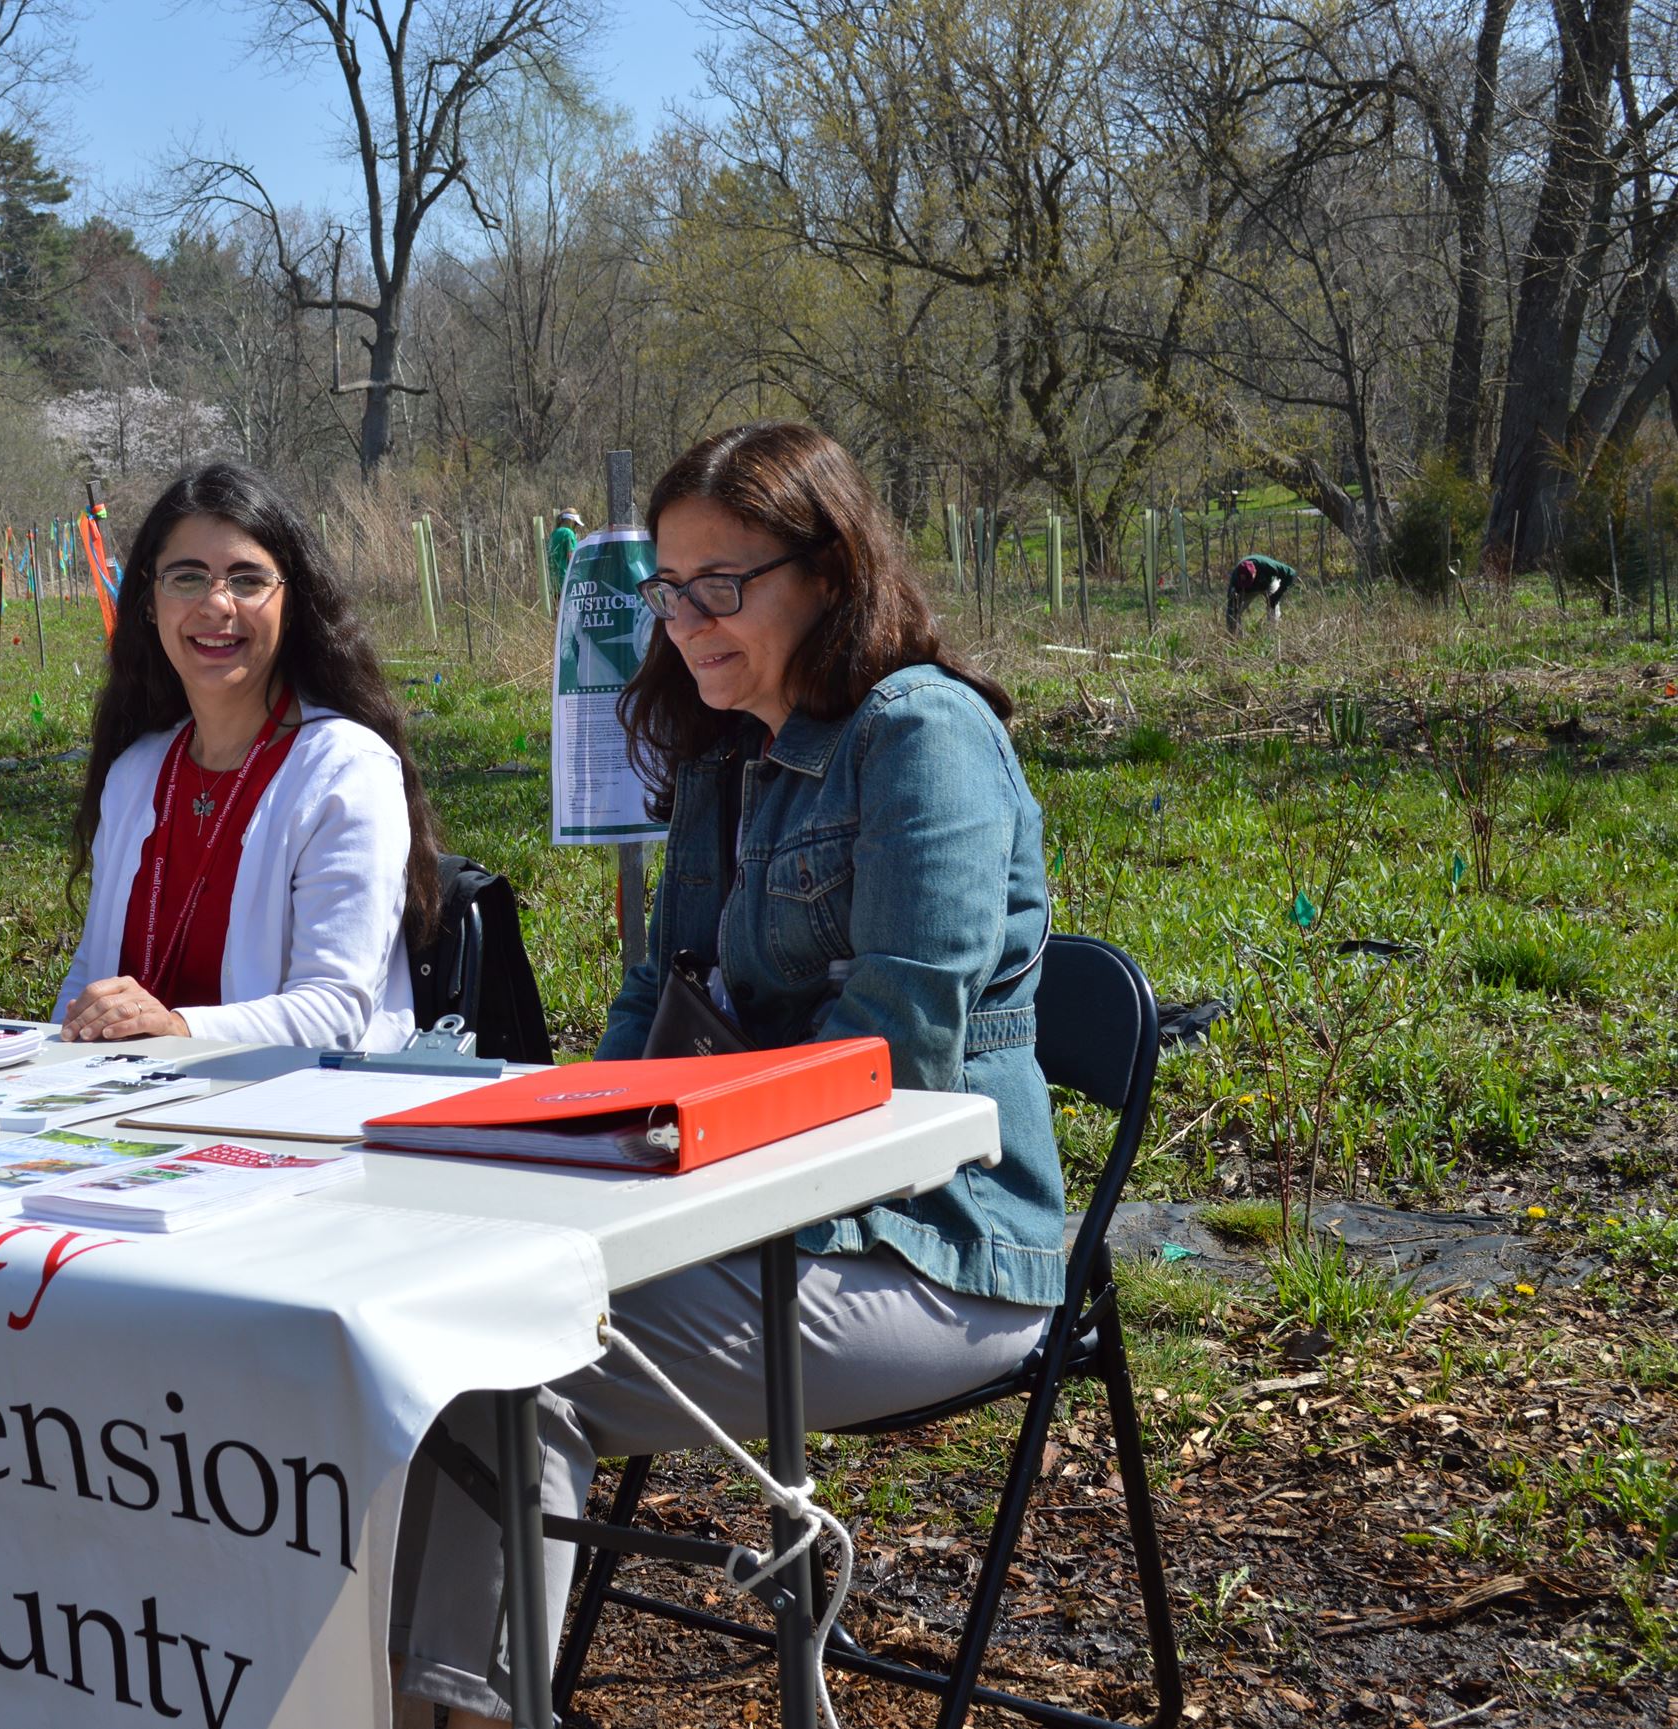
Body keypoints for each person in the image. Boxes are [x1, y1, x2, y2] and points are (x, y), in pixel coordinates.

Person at [393, 422, 1062, 1724]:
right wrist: (567, 1147)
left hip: (931, 1244)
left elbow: (893, 1047)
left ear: (828, 571)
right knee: (426, 1321)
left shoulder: (922, 737)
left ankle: (457, 1711)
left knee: (494, 1362)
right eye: (670, 587)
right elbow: (660, 991)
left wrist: (647, 1184)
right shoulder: (723, 750)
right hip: (738, 1214)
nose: (688, 619)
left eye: (724, 584)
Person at [54, 461, 440, 1052]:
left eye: (246, 580)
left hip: (291, 1119)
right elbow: (89, 976)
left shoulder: (346, 770)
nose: (216, 604)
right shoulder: (135, 773)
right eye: (186, 578)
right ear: (149, 602)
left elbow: (334, 1010)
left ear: (292, 604)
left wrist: (180, 1029)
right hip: (130, 1113)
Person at [1226, 552, 1296, 632]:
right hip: (1245, 590)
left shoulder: (1266, 565)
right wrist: (1234, 610)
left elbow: (1291, 573)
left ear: (1255, 571)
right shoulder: (1235, 577)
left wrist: (1277, 595)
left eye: (1249, 580)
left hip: (1269, 583)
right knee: (1232, 614)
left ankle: (1273, 634)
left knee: (1273, 606)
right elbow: (1231, 604)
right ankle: (1236, 638)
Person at [545, 506, 583, 598]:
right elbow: (572, 558)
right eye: (575, 524)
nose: (576, 527)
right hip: (566, 580)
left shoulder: (554, 533)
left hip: (553, 580)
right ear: (571, 521)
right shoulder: (568, 533)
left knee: (557, 609)